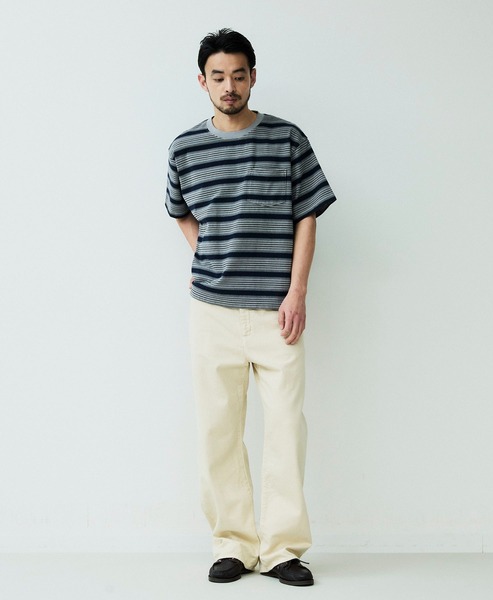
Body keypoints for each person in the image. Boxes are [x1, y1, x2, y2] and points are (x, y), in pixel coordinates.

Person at [165, 28, 336, 587]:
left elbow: (308, 214)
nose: (229, 86)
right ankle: (233, 545)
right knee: (218, 430)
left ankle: (283, 549)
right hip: (212, 311)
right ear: (202, 81)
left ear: (253, 77)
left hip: (276, 311)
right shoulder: (184, 148)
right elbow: (180, 211)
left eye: (238, 75)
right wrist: (210, 256)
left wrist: (297, 291)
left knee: (286, 428)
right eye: (218, 76)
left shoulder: (287, 139)